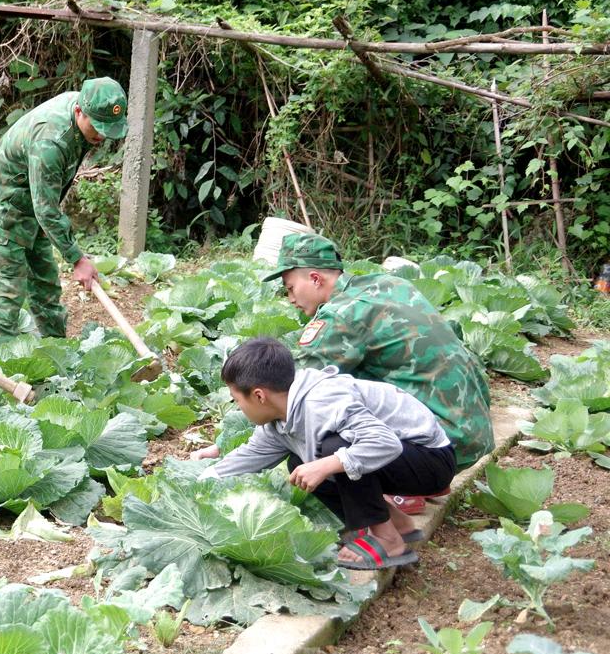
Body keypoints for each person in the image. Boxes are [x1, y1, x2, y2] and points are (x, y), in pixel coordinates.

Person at [263, 233, 493, 511]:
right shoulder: (390, 284)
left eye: (289, 288)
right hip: (473, 430)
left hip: (437, 444)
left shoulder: (340, 315)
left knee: (320, 427)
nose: (290, 299)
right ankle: (419, 479)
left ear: (315, 279)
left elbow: (294, 395)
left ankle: (401, 494)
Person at [197, 338, 457, 570]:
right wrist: (202, 478)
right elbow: (251, 455)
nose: (238, 407)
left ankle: (388, 541)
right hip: (399, 460)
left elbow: (386, 443)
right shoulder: (278, 420)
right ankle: (397, 524)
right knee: (299, 463)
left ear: (259, 396)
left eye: (236, 399)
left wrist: (325, 465)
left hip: (430, 459)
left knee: (332, 450)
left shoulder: (322, 402)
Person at [0, 77, 128, 338]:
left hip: (33, 206)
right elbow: (46, 209)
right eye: (98, 128)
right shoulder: (51, 141)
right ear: (79, 112)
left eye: (108, 129)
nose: (102, 136)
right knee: (8, 294)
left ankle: (56, 352)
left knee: (46, 283)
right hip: (2, 208)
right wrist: (78, 259)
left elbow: (44, 205)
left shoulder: (81, 112)